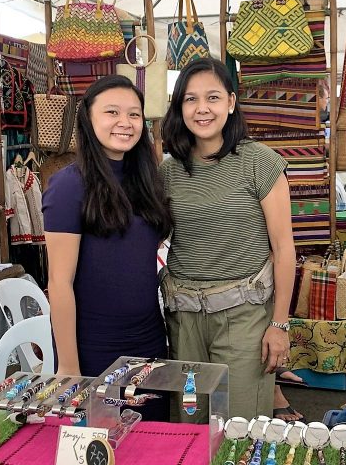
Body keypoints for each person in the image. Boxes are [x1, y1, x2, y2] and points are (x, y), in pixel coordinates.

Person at [160, 58, 296, 420]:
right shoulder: (168, 170)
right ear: (179, 107)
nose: (202, 108)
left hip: (244, 319)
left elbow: (284, 250)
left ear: (231, 103)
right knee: (189, 426)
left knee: (240, 429)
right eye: (190, 99)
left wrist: (279, 325)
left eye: (213, 97)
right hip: (184, 320)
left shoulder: (260, 163)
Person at [42, 76, 173, 377]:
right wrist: (68, 367)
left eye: (134, 114)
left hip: (149, 339)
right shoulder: (68, 186)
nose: (125, 122)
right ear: (88, 118)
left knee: (152, 425)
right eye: (112, 112)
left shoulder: (147, 181)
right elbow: (59, 284)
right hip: (95, 346)